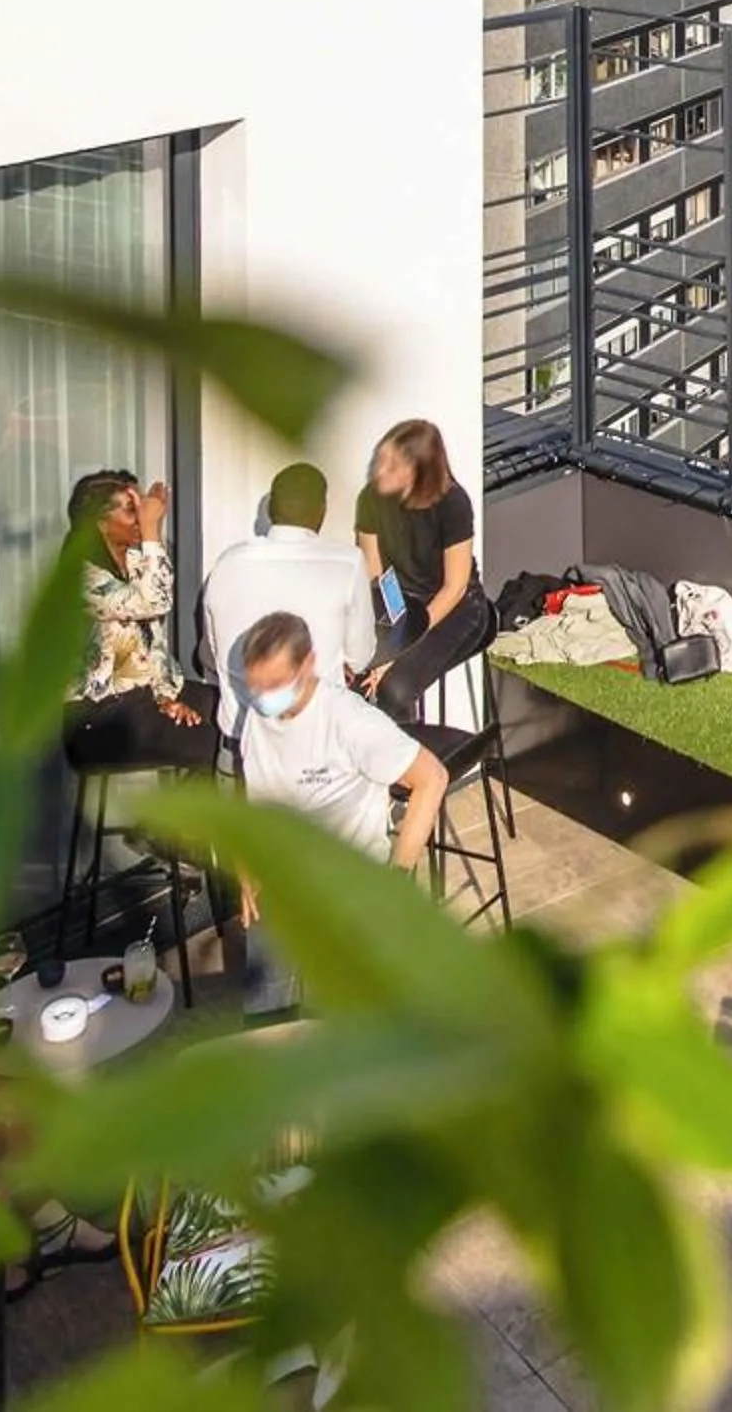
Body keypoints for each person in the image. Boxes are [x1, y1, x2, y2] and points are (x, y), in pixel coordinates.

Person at [220, 610, 450, 1015]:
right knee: (266, 1015)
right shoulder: (259, 716)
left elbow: (432, 778)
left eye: (274, 685)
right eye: (255, 686)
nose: (262, 697)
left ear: (307, 664)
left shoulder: (349, 722)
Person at [59, 468, 217, 774]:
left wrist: (166, 697)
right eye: (131, 510)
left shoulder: (133, 561)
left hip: (143, 697)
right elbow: (155, 601)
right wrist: (150, 529)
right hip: (100, 719)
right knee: (211, 743)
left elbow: (151, 648)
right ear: (100, 522)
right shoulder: (80, 577)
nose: (142, 515)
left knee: (235, 716)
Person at [352, 418, 490, 722]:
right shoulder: (371, 498)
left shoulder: (453, 503)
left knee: (394, 688)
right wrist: (384, 640)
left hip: (456, 606)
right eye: (380, 459)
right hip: (400, 603)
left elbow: (455, 587)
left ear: (418, 470)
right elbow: (375, 573)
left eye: (391, 464)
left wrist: (397, 651)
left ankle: (412, 765)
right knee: (354, 679)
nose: (379, 469)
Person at [203, 463, 376, 688]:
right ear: (322, 510)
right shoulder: (348, 563)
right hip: (317, 720)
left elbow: (210, 655)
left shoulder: (227, 563)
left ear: (269, 510)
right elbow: (360, 658)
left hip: (240, 720)